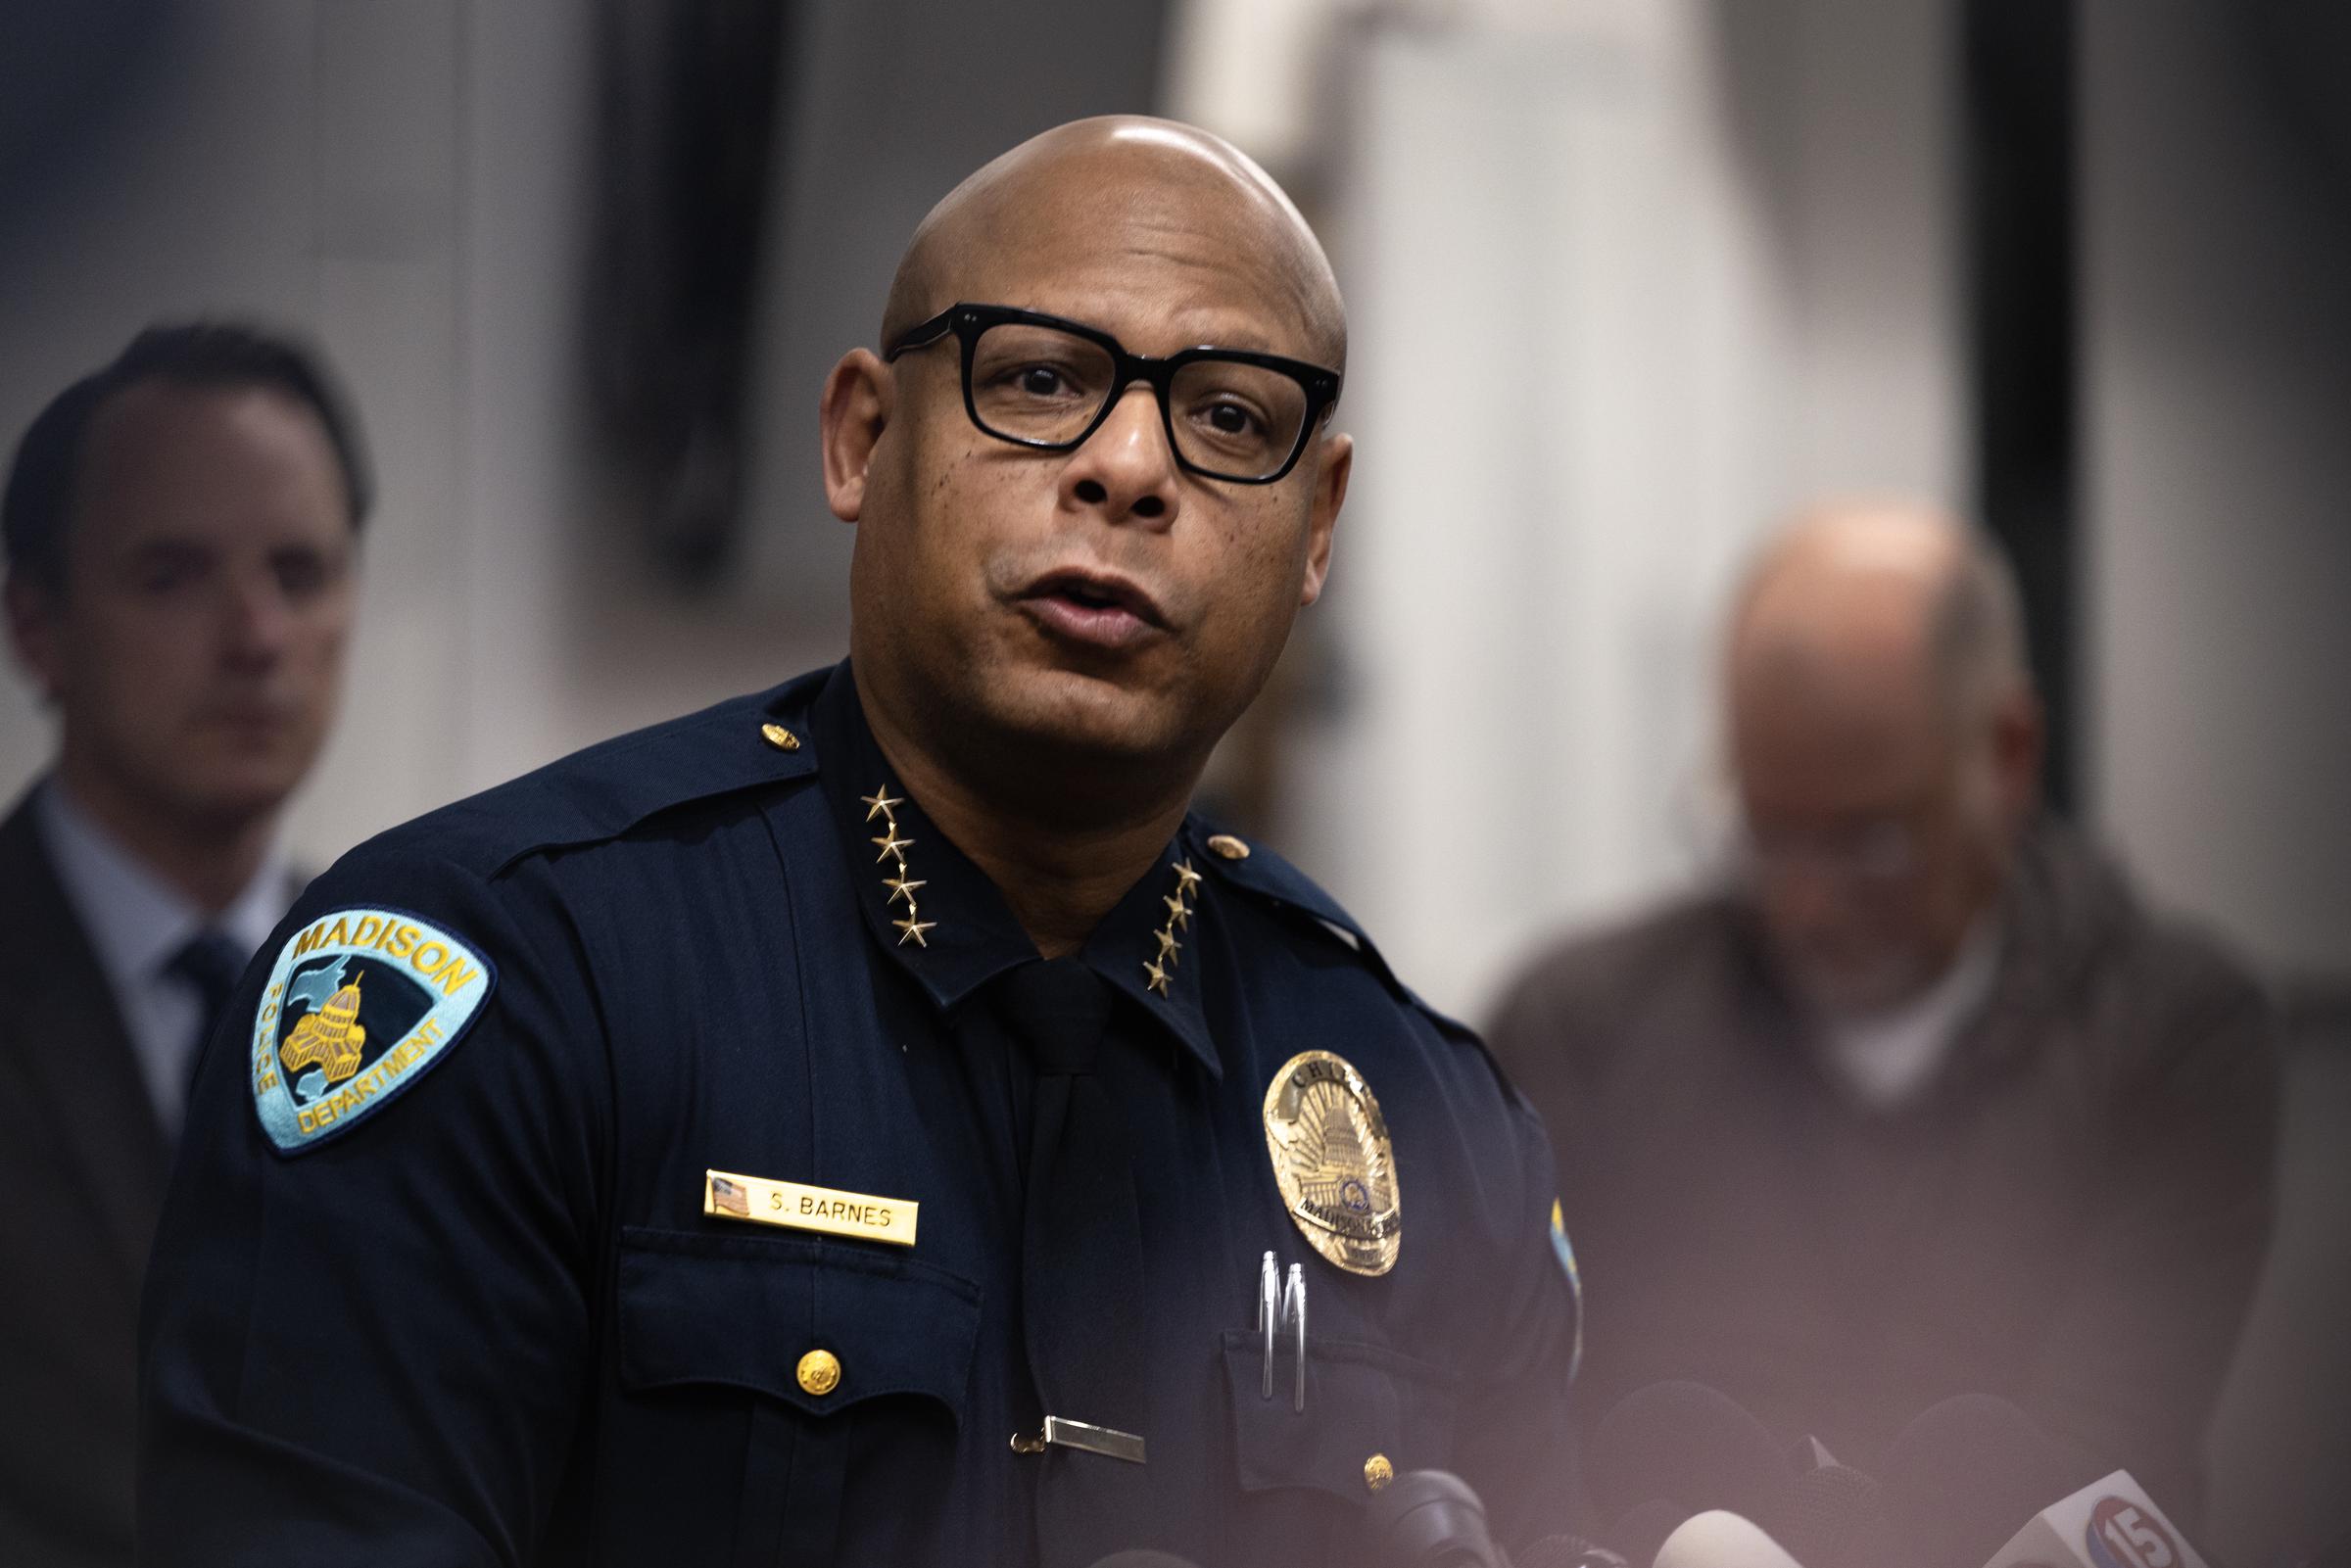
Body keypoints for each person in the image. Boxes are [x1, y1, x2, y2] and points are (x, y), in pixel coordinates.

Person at [139, 119, 1580, 1567]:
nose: (1132, 467)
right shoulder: (514, 980)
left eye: (1227, 420)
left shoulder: (1428, 1116)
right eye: (1039, 378)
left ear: (1317, 523)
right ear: (859, 438)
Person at [1487, 502, 2279, 1525]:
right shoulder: (1578, 1032)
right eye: (1769, 833)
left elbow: (2104, 1468)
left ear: (2007, 752)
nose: (1807, 902)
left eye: (1868, 841)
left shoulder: (2176, 1037)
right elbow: (1520, 1445)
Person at [0, 322, 370, 1568]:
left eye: (301, 571)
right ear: (36, 624)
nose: (258, 637)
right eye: (172, 575)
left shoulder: (439, 997)